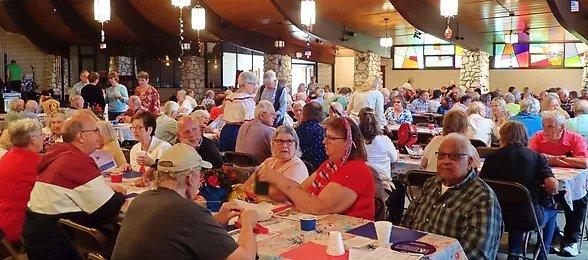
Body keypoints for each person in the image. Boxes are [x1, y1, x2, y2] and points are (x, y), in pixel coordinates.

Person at [111, 143, 258, 260]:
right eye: (199, 174)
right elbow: (244, 258)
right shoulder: (187, 210)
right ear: (190, 177)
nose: (200, 179)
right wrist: (247, 224)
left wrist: (217, 219)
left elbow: (183, 231)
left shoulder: (141, 199)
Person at [23, 114, 126, 260]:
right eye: (96, 130)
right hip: (56, 246)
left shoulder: (58, 153)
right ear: (80, 137)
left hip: (36, 236)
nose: (100, 134)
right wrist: (120, 196)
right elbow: (107, 208)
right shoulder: (76, 160)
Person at [402, 133, 503, 259]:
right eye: (441, 155)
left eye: (455, 156)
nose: (446, 161)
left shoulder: (483, 198)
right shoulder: (431, 184)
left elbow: (476, 253)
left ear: (469, 162)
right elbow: (406, 223)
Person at [258, 117, 376, 220]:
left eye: (331, 138)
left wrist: (276, 180)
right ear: (272, 144)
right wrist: (257, 188)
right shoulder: (330, 164)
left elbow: (317, 206)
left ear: (348, 143)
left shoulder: (355, 170)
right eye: (279, 141)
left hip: (351, 236)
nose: (324, 141)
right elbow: (292, 193)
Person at [480, 121, 558, 258]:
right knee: (551, 210)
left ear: (502, 136)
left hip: (496, 216)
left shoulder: (491, 158)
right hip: (527, 217)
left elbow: (482, 185)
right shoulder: (536, 157)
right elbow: (552, 186)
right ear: (524, 137)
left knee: (514, 204)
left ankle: (514, 252)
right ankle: (542, 254)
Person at [529, 111, 587, 256]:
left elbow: (584, 162)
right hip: (547, 183)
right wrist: (562, 160)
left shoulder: (575, 138)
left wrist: (554, 159)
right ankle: (554, 236)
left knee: (578, 201)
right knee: (537, 197)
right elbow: (530, 158)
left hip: (571, 184)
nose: (544, 130)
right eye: (543, 126)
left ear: (561, 128)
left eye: (549, 127)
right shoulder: (538, 137)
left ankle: (571, 240)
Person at [0, 119, 44, 244]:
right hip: (16, 226)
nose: (44, 136)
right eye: (41, 134)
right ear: (33, 139)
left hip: (2, 224)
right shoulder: (35, 162)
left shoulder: (8, 156)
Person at [244, 126, 309, 202]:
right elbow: (247, 184)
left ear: (296, 145)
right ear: (273, 144)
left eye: (289, 141)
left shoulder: (298, 166)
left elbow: (281, 195)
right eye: (279, 141)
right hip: (257, 205)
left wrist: (256, 188)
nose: (284, 146)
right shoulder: (269, 161)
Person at [359, 107, 398, 195]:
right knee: (400, 188)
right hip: (382, 184)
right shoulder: (384, 140)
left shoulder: (357, 141)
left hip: (362, 183)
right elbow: (394, 159)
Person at [219, 71, 257, 152]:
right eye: (253, 84)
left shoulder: (229, 98)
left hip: (226, 130)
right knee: (238, 161)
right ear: (246, 84)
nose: (254, 87)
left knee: (226, 159)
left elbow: (223, 112)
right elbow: (249, 122)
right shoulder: (247, 99)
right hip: (239, 132)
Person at [296, 102, 328, 172]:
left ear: (304, 114)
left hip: (301, 169)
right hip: (321, 169)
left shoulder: (297, 131)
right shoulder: (323, 132)